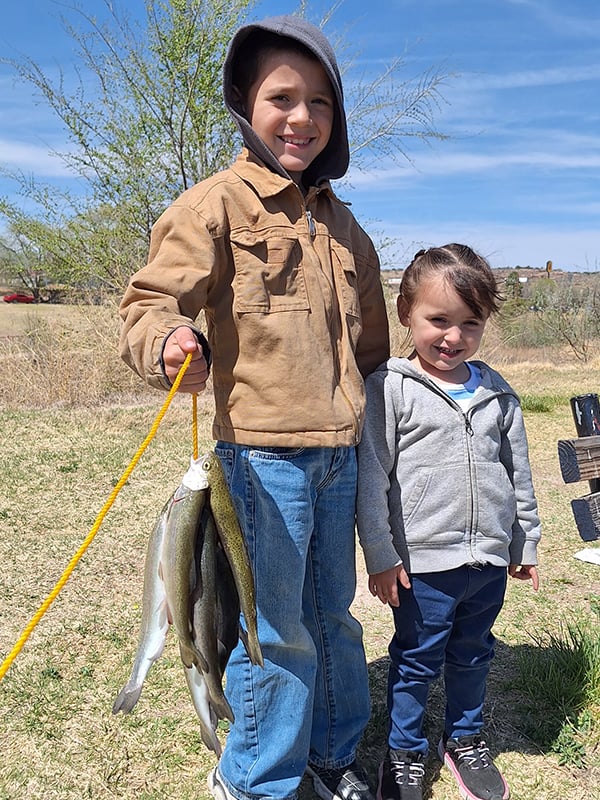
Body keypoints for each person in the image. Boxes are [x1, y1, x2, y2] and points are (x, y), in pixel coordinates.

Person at [119, 14, 390, 800]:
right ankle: (257, 780)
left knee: (333, 618)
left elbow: (371, 351)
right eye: (281, 97)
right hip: (259, 462)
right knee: (274, 630)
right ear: (245, 102)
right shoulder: (215, 205)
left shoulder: (347, 230)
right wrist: (169, 340)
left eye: (320, 103)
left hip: (340, 457)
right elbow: (148, 303)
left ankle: (331, 758)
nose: (301, 117)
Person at [355, 244, 541, 800]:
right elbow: (373, 482)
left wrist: (522, 541)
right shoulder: (389, 389)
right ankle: (405, 751)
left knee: (473, 652)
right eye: (438, 320)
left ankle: (463, 739)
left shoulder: (497, 392)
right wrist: (382, 556)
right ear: (405, 313)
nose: (452, 337)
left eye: (470, 323)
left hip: (485, 562)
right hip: (423, 566)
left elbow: (520, 475)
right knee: (415, 661)